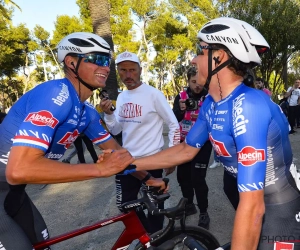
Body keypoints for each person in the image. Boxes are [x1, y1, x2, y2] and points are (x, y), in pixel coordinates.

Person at [109, 17, 300, 250]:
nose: (192, 58)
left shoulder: (248, 106)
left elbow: (253, 207)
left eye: (200, 50)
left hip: (279, 209)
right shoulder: (212, 102)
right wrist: (129, 164)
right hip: (251, 200)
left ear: (219, 57)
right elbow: (186, 149)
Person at [0, 32, 166, 250]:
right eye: (96, 59)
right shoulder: (56, 95)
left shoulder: (85, 110)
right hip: (8, 184)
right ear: (71, 62)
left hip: (13, 192)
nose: (105, 67)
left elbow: (116, 152)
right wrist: (99, 170)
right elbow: (19, 169)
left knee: (43, 244)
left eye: (107, 61)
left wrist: (147, 178)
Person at [100, 51, 180, 234]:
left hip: (152, 161)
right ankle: (148, 237)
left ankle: (156, 239)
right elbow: (116, 130)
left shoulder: (153, 94)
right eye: (123, 70)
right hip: (127, 162)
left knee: (155, 206)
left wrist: (172, 157)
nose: (128, 75)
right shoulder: (121, 97)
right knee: (124, 205)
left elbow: (174, 124)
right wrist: (109, 114)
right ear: (118, 72)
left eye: (132, 70)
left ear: (140, 70)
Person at [172, 67, 212, 229]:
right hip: (184, 143)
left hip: (203, 145)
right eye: (193, 82)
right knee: (183, 177)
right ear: (188, 81)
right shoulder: (181, 97)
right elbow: (174, 119)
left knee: (198, 179)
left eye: (200, 82)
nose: (197, 85)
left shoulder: (210, 97)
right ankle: (189, 205)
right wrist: (180, 111)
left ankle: (204, 212)